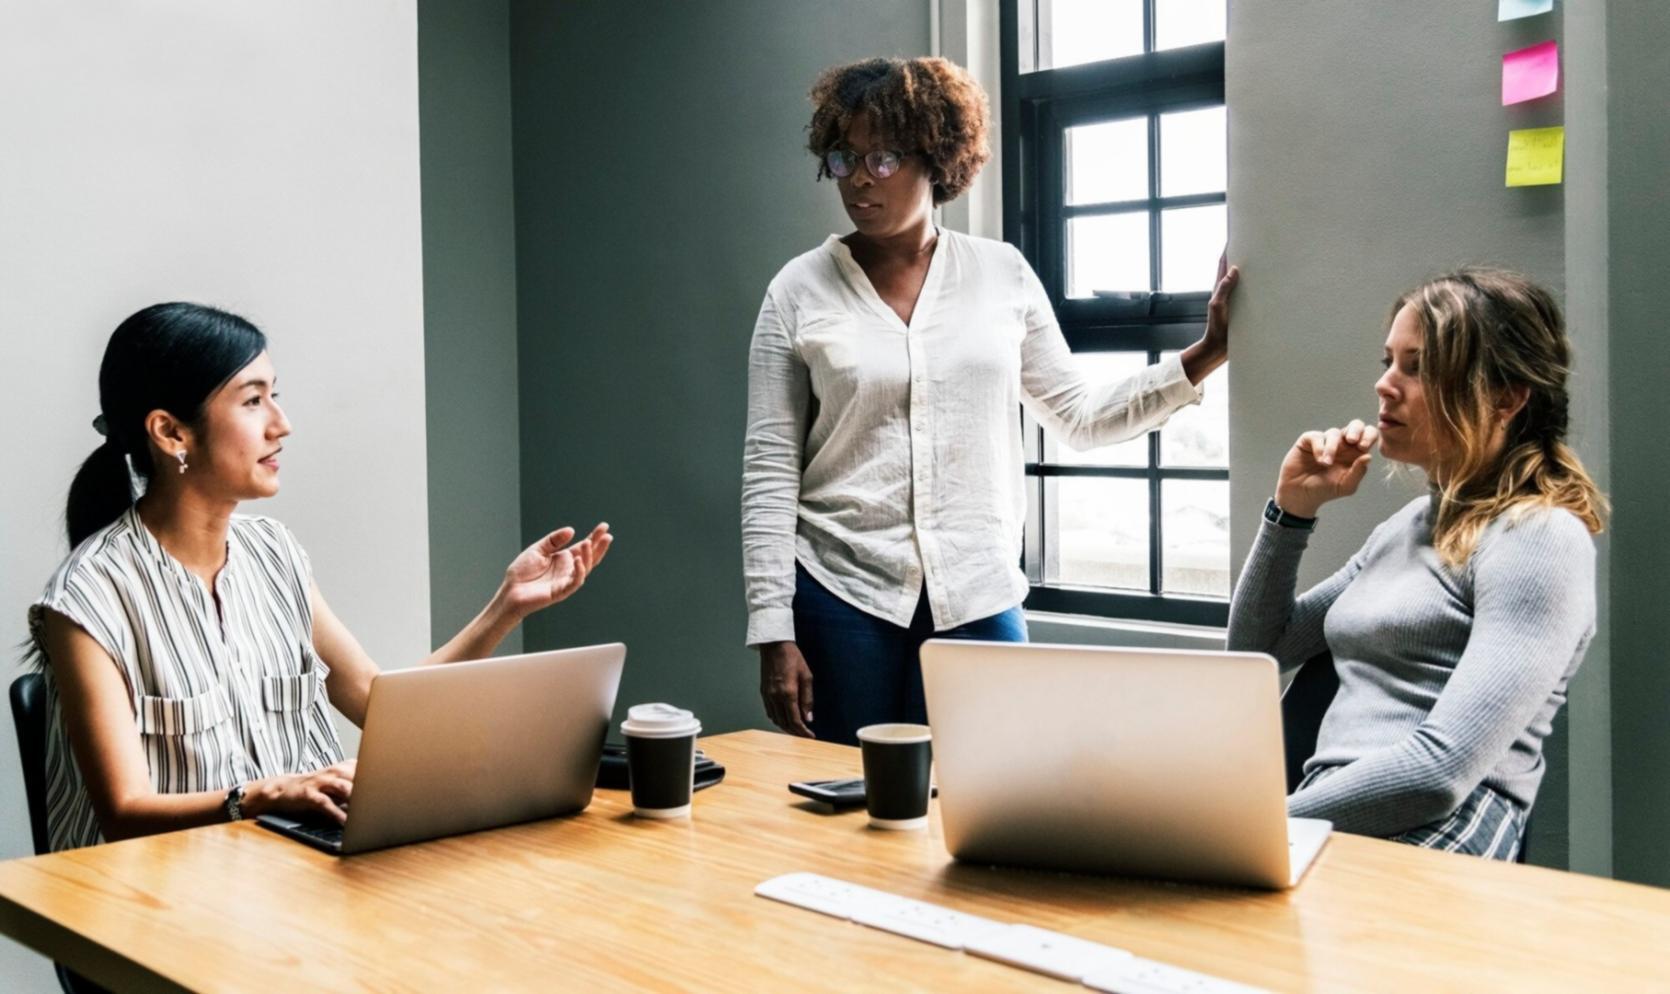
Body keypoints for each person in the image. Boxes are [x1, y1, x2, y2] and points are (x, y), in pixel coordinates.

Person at [741, 56, 1237, 744]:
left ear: (936, 157)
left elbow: (1080, 416)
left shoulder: (1001, 275)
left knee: (985, 800)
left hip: (976, 590)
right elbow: (769, 471)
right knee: (852, 815)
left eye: (881, 157)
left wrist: (1205, 353)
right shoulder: (797, 291)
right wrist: (773, 629)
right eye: (842, 156)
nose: (857, 177)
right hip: (840, 595)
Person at [29, 302, 613, 851]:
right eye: (252, 401)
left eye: (273, 397)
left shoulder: (275, 554)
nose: (281, 425)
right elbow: (124, 812)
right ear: (171, 432)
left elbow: (383, 709)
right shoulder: (89, 597)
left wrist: (505, 607)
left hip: (296, 873)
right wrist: (266, 796)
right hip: (157, 909)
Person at [1227, 269, 1605, 859]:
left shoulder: (1538, 538)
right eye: (1388, 361)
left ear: (1506, 397)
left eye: (1418, 367)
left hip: (1439, 826)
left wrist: (1252, 822)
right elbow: (1258, 649)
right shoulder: (1405, 528)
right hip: (1330, 810)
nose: (1385, 385)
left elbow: (1438, 773)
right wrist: (1290, 513)